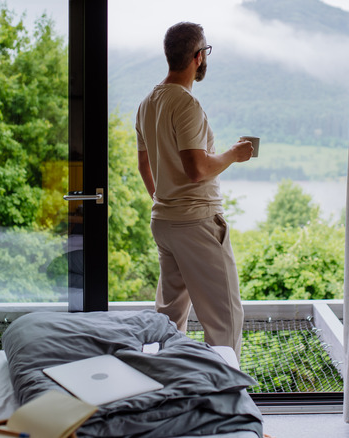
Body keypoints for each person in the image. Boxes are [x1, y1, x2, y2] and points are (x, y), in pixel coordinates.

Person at [135, 22, 254, 359]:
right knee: (225, 319)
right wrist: (234, 154)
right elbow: (197, 169)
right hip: (197, 223)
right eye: (206, 53)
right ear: (198, 56)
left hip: (165, 221)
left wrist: (166, 201)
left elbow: (145, 167)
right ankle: (225, 400)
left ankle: (166, 385)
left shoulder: (148, 103)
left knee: (170, 316)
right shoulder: (186, 104)